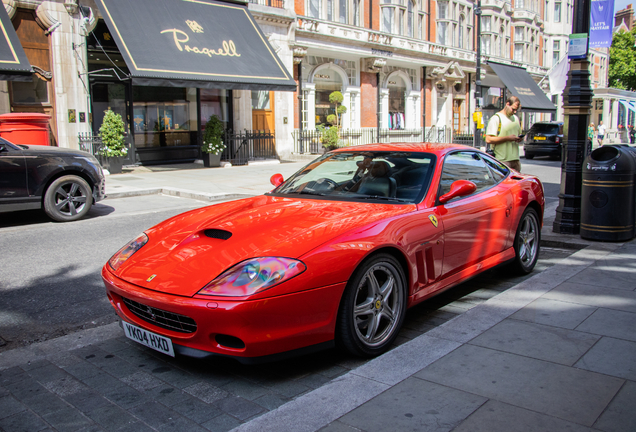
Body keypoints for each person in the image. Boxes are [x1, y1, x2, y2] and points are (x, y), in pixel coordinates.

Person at [485, 96, 523, 171]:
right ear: (507, 104)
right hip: (502, 160)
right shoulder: (496, 118)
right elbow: (488, 139)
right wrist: (508, 138)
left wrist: (519, 138)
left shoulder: (515, 118)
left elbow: (518, 134)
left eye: (516, 110)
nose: (515, 112)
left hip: (515, 160)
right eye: (513, 109)